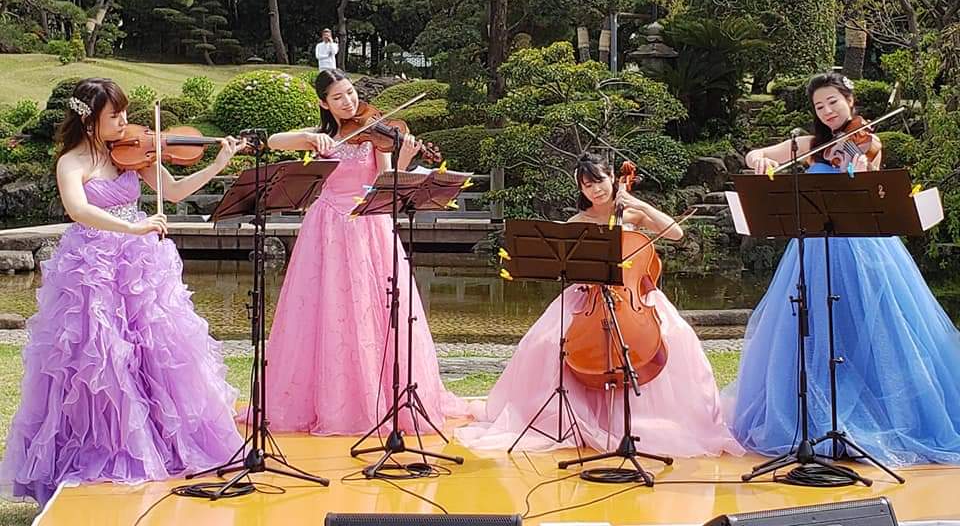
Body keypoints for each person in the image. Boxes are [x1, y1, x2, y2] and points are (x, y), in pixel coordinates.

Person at [0, 78, 246, 506]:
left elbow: (174, 191)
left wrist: (219, 163)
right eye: (115, 116)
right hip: (92, 268)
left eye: (126, 114)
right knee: (100, 361)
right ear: (89, 119)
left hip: (140, 265)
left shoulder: (132, 156)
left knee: (156, 356)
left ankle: (164, 447)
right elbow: (79, 210)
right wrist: (132, 225)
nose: (126, 123)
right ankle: (104, 450)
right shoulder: (71, 162)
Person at [726, 71, 960, 464]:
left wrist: (857, 164)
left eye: (833, 101)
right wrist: (761, 158)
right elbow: (755, 156)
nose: (828, 110)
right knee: (812, 328)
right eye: (820, 106)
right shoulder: (809, 143)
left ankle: (879, 421)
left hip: (862, 248)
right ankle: (812, 422)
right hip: (815, 248)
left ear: (850, 100)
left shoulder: (867, 139)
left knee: (872, 327)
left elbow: (867, 172)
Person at [456, 153, 744, 457]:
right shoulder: (577, 222)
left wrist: (639, 204)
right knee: (546, 342)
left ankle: (641, 421)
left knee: (675, 336)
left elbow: (676, 232)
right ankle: (576, 416)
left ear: (612, 179)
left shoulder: (635, 215)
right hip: (588, 297)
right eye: (586, 185)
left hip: (634, 296)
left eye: (599, 181)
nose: (594, 190)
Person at [262, 68, 465, 434]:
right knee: (326, 312)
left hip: (368, 224)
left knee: (374, 309)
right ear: (324, 103)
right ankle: (329, 403)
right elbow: (274, 141)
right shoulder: (321, 139)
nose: (349, 102)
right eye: (338, 97)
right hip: (326, 227)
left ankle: (382, 397)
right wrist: (310, 137)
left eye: (351, 93)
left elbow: (383, 182)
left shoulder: (374, 136)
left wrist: (405, 157)